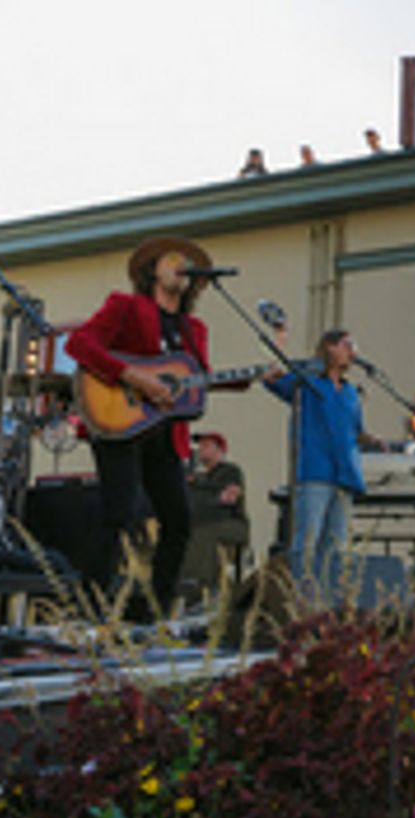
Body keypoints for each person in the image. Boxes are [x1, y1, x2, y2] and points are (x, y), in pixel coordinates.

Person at [66, 236, 219, 621]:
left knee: (178, 519)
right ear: (153, 270)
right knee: (120, 511)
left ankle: (149, 612)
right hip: (118, 419)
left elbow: (199, 378)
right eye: (173, 260)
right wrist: (135, 377)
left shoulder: (194, 329)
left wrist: (257, 373)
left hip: (164, 433)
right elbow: (79, 344)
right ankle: (88, 604)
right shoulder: (127, 306)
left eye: (187, 263)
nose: (181, 265)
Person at [263, 328, 372, 598]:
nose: (352, 351)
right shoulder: (307, 382)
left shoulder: (350, 393)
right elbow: (272, 378)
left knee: (338, 546)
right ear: (330, 348)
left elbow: (356, 430)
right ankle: (301, 597)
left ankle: (330, 601)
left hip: (345, 475)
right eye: (347, 344)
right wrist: (279, 340)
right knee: (307, 541)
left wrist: (375, 441)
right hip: (314, 471)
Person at [181, 431, 248, 598]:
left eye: (206, 445)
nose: (200, 449)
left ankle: (201, 586)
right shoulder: (197, 477)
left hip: (233, 523)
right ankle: (182, 583)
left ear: (220, 450)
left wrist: (205, 498)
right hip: (204, 521)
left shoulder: (230, 471)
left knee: (203, 532)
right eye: (200, 445)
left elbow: (228, 499)